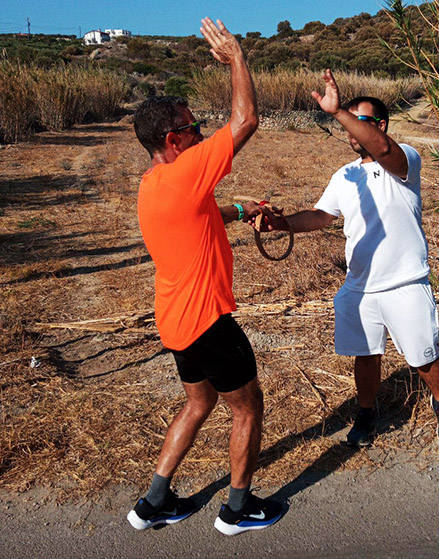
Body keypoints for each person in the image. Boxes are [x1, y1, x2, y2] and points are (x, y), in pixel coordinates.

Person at [127, 18, 282, 535]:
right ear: (174, 140)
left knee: (199, 402)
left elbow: (203, 215)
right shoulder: (186, 170)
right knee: (248, 407)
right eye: (194, 127)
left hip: (175, 323)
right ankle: (237, 510)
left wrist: (244, 209)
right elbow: (246, 119)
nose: (201, 132)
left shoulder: (154, 184)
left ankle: (152, 503)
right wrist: (237, 57)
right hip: (209, 322)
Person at [262, 69, 439, 448]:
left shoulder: (405, 159)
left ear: (381, 125)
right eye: (347, 121)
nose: (350, 129)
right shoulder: (345, 176)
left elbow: (384, 151)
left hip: (405, 283)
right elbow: (321, 216)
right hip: (360, 286)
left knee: (423, 357)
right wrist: (280, 224)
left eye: (359, 120)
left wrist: (338, 112)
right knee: (366, 355)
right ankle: (366, 414)